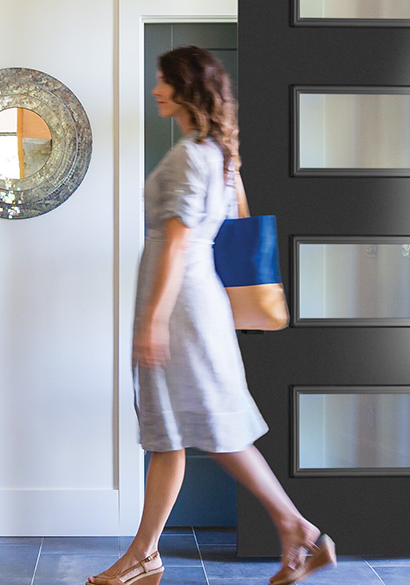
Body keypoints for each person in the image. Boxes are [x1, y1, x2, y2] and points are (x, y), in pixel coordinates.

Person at [89, 46, 335, 585]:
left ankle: (297, 528)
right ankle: (146, 555)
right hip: (197, 302)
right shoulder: (217, 155)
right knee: (176, 432)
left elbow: (178, 244)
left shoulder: (189, 155)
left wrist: (153, 321)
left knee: (210, 427)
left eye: (163, 80)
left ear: (186, 87)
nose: (155, 89)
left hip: (181, 308)